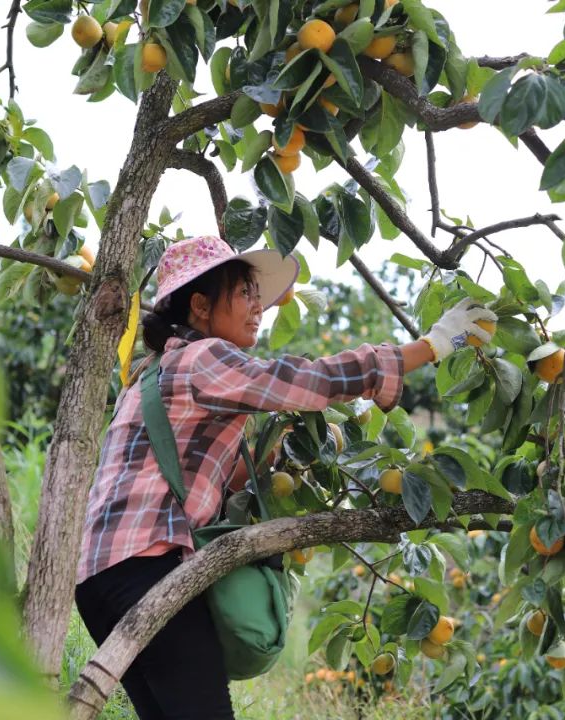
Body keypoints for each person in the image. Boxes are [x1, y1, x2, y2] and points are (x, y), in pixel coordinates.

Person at [74, 235, 495, 719]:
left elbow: (208, 480)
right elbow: (304, 380)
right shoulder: (204, 357)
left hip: (99, 579)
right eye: (245, 294)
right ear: (200, 305)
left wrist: (277, 453)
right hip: (147, 568)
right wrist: (431, 346)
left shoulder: (151, 372)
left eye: (259, 295)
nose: (259, 308)